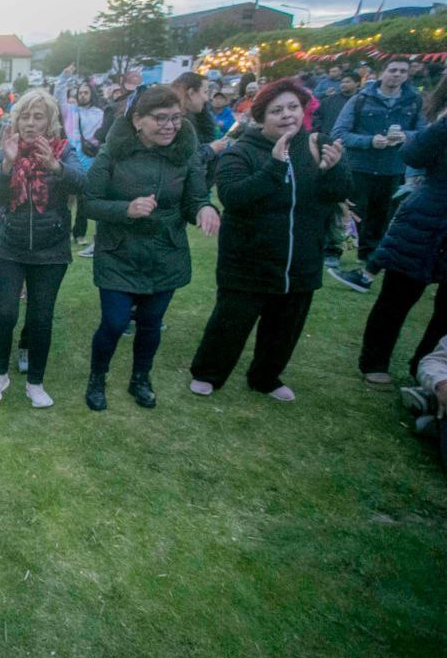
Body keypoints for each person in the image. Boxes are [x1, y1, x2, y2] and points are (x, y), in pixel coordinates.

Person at [188, 79, 349, 401]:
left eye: (293, 107)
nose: (287, 115)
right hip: (249, 259)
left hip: (301, 257)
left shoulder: (317, 143)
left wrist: (332, 171)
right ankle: (209, 372)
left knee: (285, 325)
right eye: (277, 110)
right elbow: (234, 197)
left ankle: (266, 377)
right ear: (261, 117)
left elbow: (339, 193)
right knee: (231, 321)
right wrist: (274, 166)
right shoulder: (242, 152)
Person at [82, 86, 220, 411]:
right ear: (138, 120)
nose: (170, 126)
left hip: (166, 253)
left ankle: (140, 378)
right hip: (118, 253)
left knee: (150, 323)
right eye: (160, 119)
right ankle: (97, 377)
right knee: (115, 323)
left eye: (176, 118)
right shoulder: (112, 153)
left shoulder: (186, 152)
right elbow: (89, 202)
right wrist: (125, 210)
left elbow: (196, 198)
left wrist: (204, 209)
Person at [0, 90, 86, 407]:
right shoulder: (5, 150)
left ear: (50, 121)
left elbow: (84, 184)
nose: (30, 123)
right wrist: (8, 165)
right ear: (16, 119)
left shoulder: (64, 151)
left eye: (38, 116)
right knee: (4, 312)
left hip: (51, 249)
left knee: (41, 317)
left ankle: (35, 383)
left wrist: (56, 167)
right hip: (9, 246)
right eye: (25, 116)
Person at [351, 77, 447, 384]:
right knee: (397, 295)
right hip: (427, 217)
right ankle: (374, 361)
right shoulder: (441, 125)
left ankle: (427, 366)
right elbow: (412, 155)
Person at [328, 58, 426, 291]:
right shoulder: (360, 99)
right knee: (349, 214)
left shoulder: (414, 102)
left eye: (402, 71)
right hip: (359, 167)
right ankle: (332, 251)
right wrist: (369, 141)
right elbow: (339, 133)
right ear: (382, 73)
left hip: (393, 169)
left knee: (381, 218)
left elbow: (424, 133)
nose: (397, 75)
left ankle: (367, 259)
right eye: (393, 70)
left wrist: (406, 136)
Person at [55, 70, 104, 248]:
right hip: (70, 159)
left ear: (91, 94)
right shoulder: (71, 111)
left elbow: (100, 135)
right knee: (66, 199)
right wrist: (63, 77)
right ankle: (65, 232)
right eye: (80, 92)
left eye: (86, 92)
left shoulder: (99, 113)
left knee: (83, 201)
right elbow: (59, 95)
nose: (82, 95)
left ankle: (79, 234)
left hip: (89, 160)